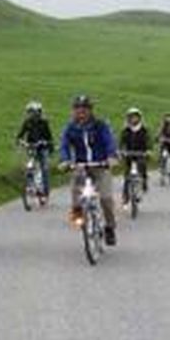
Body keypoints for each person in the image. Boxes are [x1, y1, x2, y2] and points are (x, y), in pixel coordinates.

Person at [59, 95, 118, 246]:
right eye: (78, 109)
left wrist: (111, 157)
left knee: (106, 198)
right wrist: (65, 160)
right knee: (75, 190)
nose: (81, 112)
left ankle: (110, 228)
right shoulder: (70, 127)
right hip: (81, 166)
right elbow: (64, 145)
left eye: (84, 109)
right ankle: (78, 213)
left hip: (100, 166)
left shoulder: (100, 125)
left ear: (90, 111)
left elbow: (109, 141)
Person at [16, 101, 54, 201]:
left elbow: (49, 137)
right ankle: (29, 185)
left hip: (42, 148)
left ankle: (45, 192)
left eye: (34, 112)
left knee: (44, 168)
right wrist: (20, 141)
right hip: (31, 147)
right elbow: (20, 135)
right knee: (29, 165)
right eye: (30, 112)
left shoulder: (44, 122)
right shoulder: (27, 122)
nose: (32, 115)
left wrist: (48, 145)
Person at [120, 107, 151, 202]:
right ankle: (125, 195)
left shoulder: (144, 129)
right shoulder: (126, 130)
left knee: (142, 166)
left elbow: (148, 141)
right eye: (131, 117)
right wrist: (121, 151)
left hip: (141, 153)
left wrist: (149, 150)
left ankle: (144, 182)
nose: (134, 119)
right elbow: (122, 142)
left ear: (139, 118)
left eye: (135, 117)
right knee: (127, 174)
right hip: (129, 153)